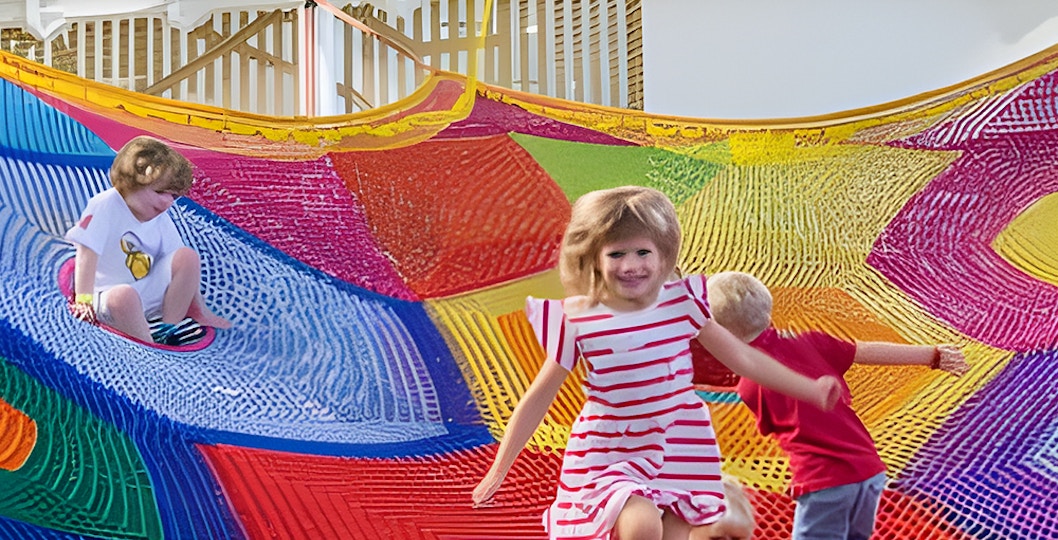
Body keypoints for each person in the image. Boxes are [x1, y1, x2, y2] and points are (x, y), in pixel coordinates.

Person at [472, 186, 844, 540]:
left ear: (663, 256)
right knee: (641, 524)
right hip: (612, 445)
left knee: (672, 530)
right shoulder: (580, 320)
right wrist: (498, 470)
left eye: (642, 253)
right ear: (593, 261)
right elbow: (539, 396)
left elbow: (743, 358)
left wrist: (808, 388)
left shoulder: (681, 307)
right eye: (617, 254)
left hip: (679, 440)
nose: (631, 265)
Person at [705, 271, 969, 540]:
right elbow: (865, 351)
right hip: (869, 469)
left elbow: (771, 426)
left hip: (825, 481)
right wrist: (932, 355)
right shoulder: (809, 341)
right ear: (769, 315)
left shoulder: (751, 384)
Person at [64, 135, 231, 346]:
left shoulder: (160, 218)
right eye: (161, 192)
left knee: (187, 257)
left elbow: (177, 261)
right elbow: (87, 254)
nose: (168, 202)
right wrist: (83, 299)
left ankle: (169, 324)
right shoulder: (105, 206)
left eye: (174, 196)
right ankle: (149, 343)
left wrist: (196, 305)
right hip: (107, 296)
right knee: (124, 297)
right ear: (132, 183)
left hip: (143, 293)